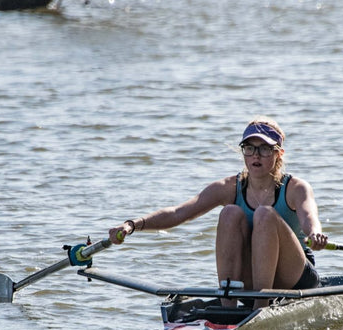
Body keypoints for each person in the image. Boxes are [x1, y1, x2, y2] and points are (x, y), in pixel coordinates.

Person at [109, 117, 328, 307]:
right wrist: (132, 225)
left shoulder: (296, 188)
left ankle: (260, 307)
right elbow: (178, 213)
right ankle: (228, 307)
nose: (255, 156)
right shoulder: (228, 187)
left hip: (296, 278)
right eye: (249, 148)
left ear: (279, 153)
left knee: (265, 214)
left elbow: (310, 218)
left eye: (263, 149)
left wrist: (315, 234)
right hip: (253, 277)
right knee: (229, 213)